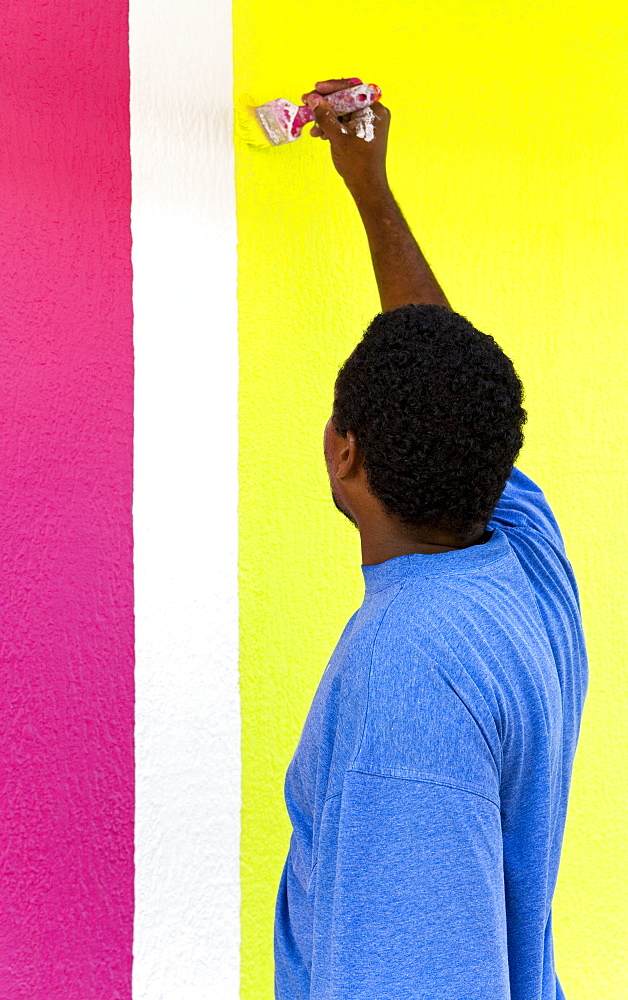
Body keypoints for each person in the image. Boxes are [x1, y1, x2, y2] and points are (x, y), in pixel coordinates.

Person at [273, 78, 588, 1000]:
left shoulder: (405, 677)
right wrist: (368, 185)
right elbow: (445, 370)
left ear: (344, 454)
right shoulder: (525, 563)